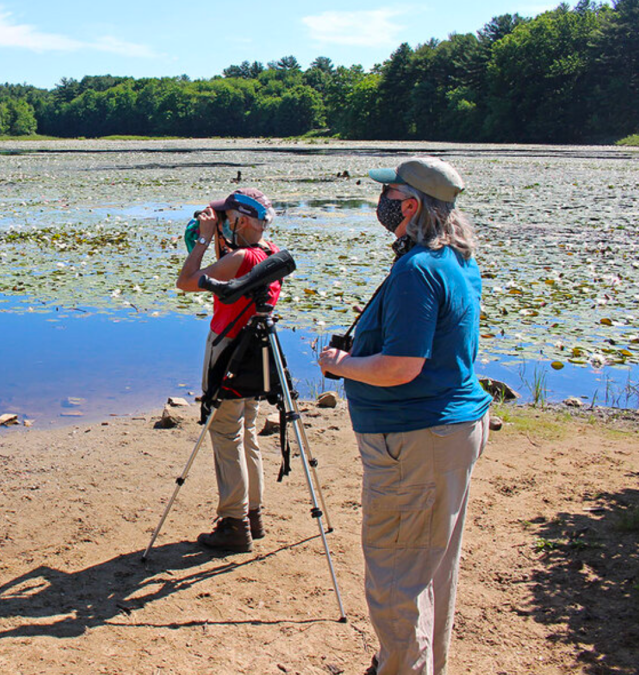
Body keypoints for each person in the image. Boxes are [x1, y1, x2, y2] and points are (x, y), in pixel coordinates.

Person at [317, 157, 492, 675]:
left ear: (410, 205)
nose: (381, 201)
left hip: (417, 440)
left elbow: (400, 368)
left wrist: (341, 365)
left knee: (395, 574)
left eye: (389, 193)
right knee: (431, 567)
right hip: (448, 431)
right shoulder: (455, 257)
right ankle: (415, 664)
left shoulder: (419, 270)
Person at [176, 187, 281, 553]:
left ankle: (233, 522)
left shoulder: (240, 260)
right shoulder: (270, 254)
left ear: (241, 220)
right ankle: (253, 515)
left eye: (226, 219)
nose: (221, 224)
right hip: (256, 355)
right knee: (248, 431)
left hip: (229, 353)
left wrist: (203, 242)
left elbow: (186, 281)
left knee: (226, 434)